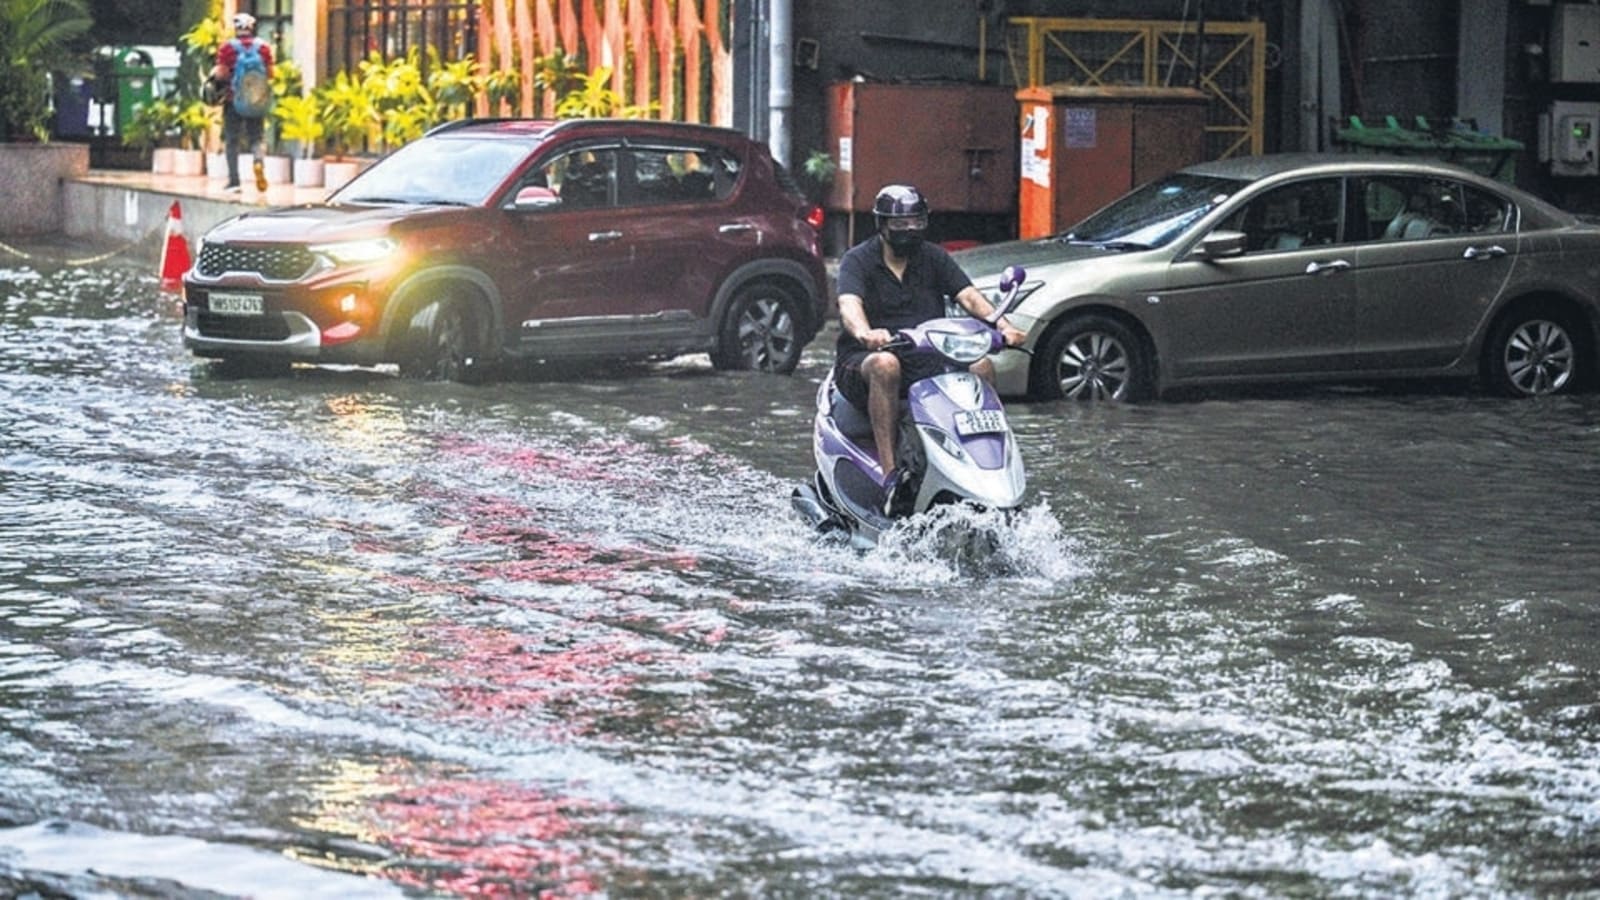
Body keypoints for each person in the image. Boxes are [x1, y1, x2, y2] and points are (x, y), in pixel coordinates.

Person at [834, 184, 1026, 514]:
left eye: (916, 222)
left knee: (982, 368)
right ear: (882, 225)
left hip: (926, 357)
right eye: (900, 224)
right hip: (864, 360)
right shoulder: (858, 260)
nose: (909, 230)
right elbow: (849, 304)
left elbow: (968, 296)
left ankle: (992, 470)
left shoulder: (933, 257)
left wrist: (1003, 326)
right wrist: (866, 333)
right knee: (886, 365)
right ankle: (891, 476)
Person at [210, 12, 274, 193]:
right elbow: (270, 74)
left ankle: (234, 181)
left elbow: (221, 74)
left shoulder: (227, 48)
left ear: (237, 28)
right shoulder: (264, 48)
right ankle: (258, 161)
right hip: (256, 100)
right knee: (257, 137)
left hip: (233, 100)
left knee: (232, 140)